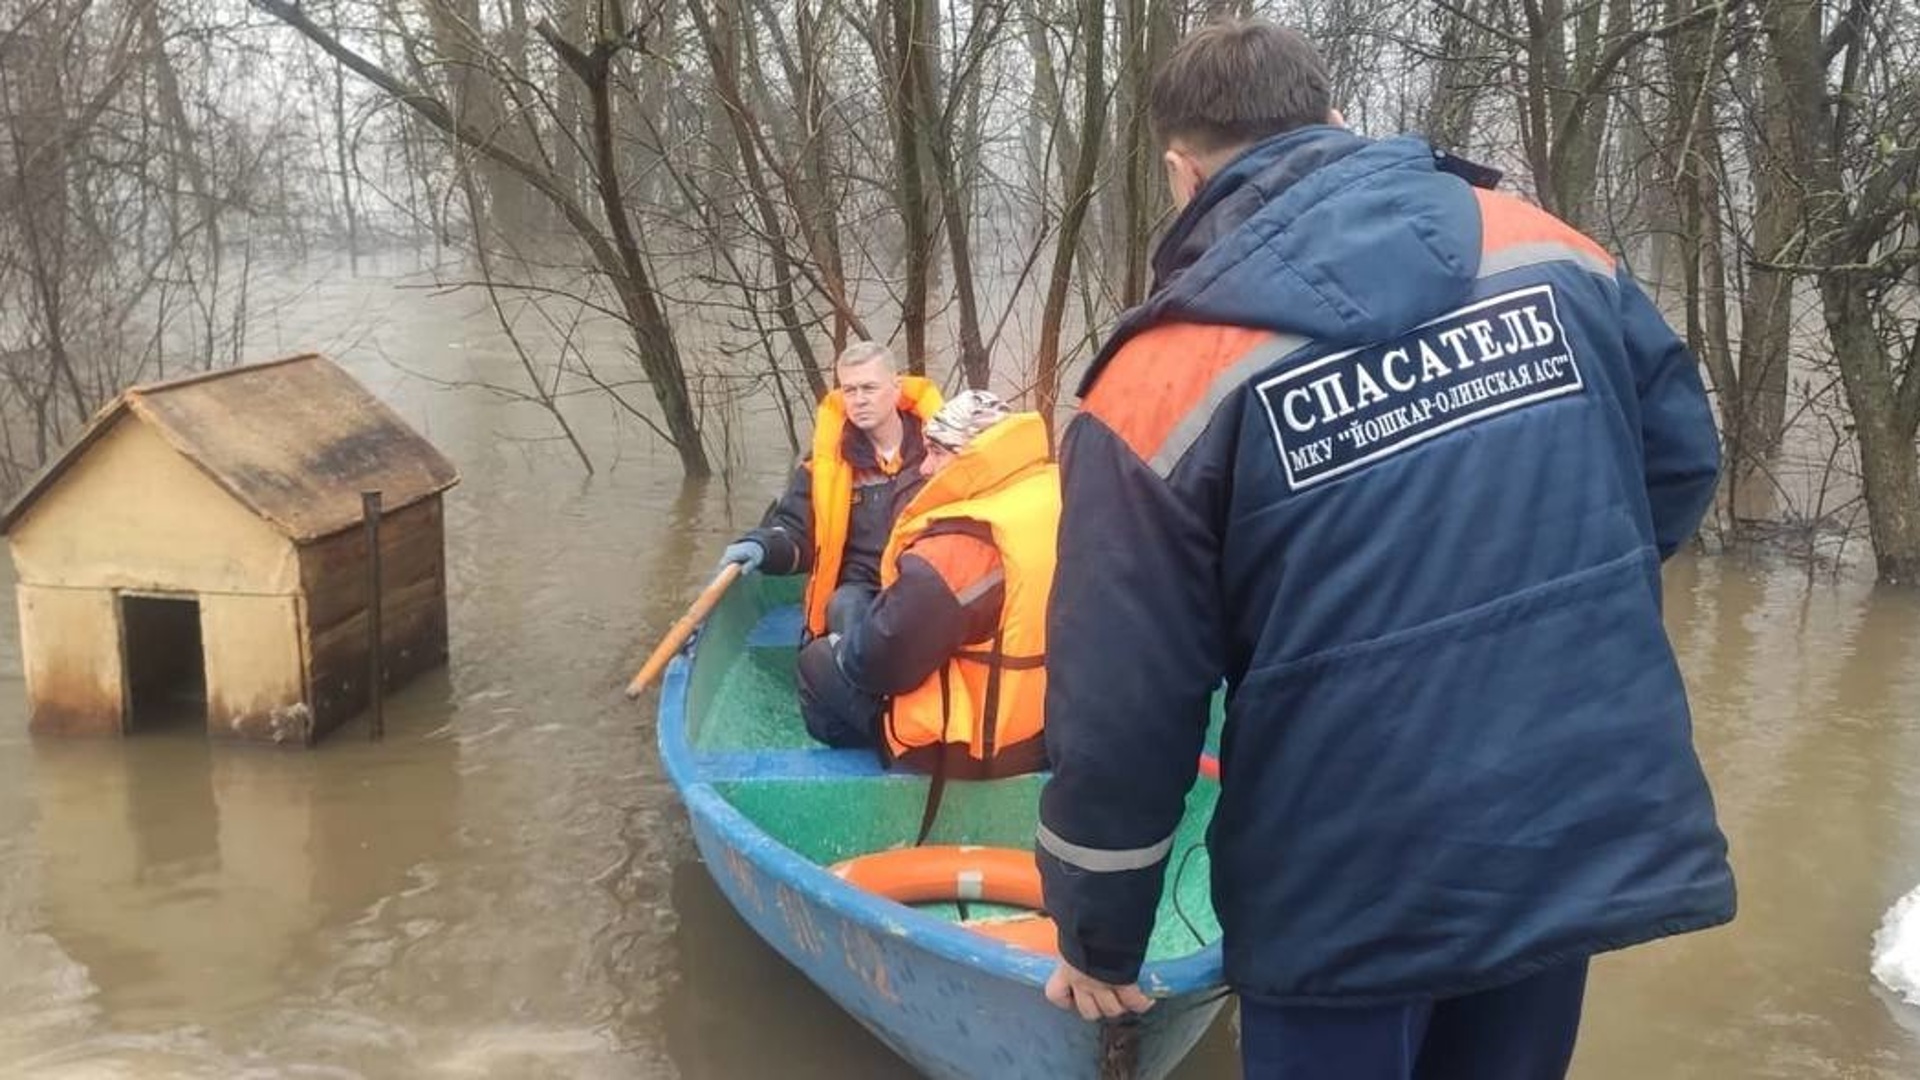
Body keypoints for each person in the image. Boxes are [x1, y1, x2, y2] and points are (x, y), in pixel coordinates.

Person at [1034, 19, 1734, 1080]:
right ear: (1339, 121)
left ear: (1182, 174)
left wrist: (1099, 935)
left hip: (1348, 877)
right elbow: (1678, 466)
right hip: (1565, 816)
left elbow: (1124, 700)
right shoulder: (1551, 248)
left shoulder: (1154, 384)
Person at [795, 390, 1057, 783]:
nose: (924, 468)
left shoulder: (960, 549)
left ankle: (869, 782)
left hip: (985, 746)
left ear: (972, 457)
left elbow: (878, 667)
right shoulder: (1051, 493)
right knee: (850, 611)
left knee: (817, 661)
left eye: (936, 452)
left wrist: (846, 646)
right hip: (1052, 722)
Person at [719, 342, 942, 640]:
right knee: (844, 606)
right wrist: (763, 545)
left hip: (923, 581)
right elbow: (796, 531)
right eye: (850, 390)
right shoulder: (824, 464)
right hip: (860, 586)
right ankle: (856, 674)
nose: (859, 400)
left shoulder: (941, 452)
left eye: (869, 388)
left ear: (896, 388)